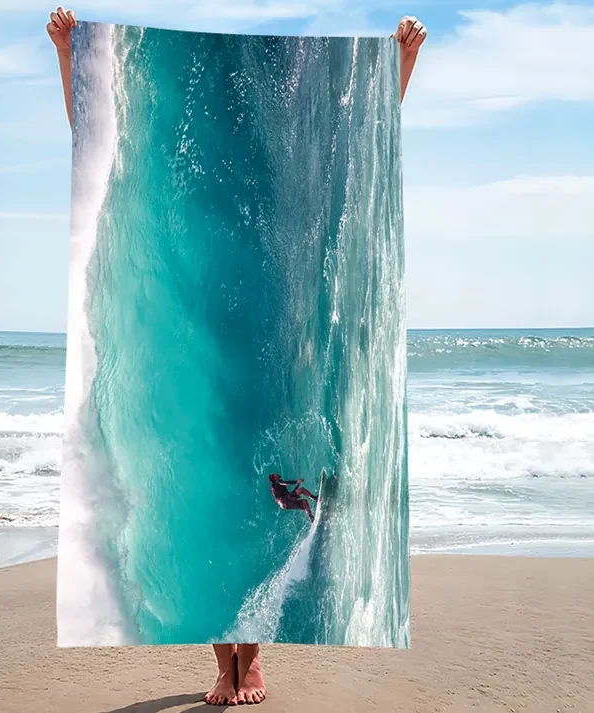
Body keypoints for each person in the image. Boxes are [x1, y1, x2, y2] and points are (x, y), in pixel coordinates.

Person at [47, 7, 426, 706]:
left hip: (277, 343)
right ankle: (226, 664)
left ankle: (251, 661)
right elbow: (96, 137)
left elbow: (356, 136)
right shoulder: (190, 175)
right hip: (202, 342)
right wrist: (71, 53)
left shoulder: (286, 174)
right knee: (215, 508)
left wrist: (397, 65)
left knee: (274, 508)